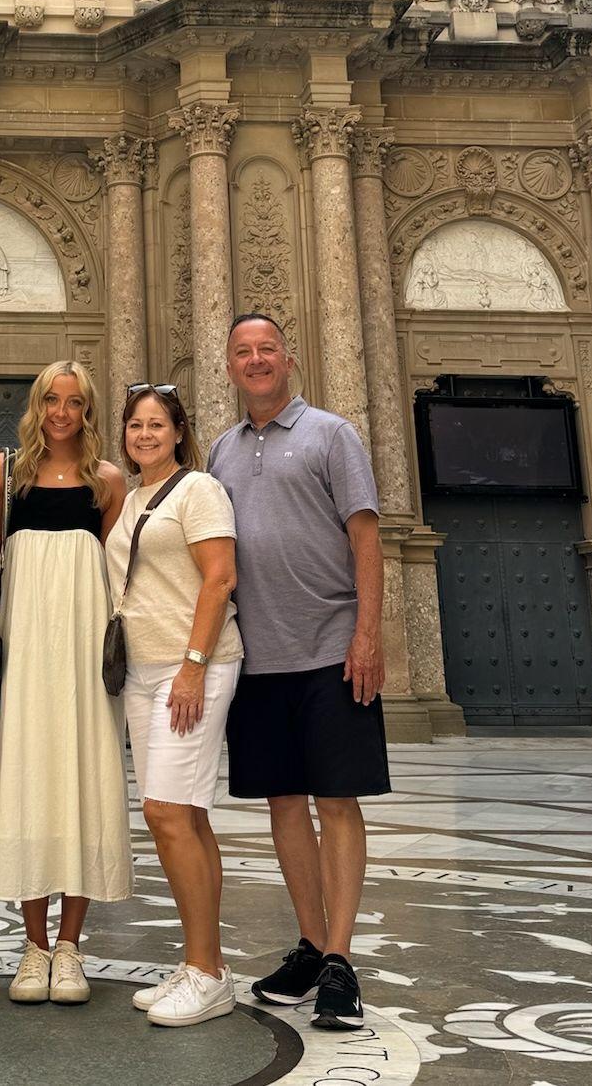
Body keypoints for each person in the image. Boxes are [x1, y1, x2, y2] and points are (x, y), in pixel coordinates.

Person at [207, 313, 389, 1032]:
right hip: (258, 658)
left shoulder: (331, 434)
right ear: (229, 367)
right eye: (243, 353)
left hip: (331, 648)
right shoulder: (220, 450)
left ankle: (341, 959)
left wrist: (368, 634)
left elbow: (365, 536)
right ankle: (311, 944)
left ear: (289, 359)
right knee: (284, 804)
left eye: (266, 350)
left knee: (337, 802)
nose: (256, 361)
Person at [0, 361, 129, 1006]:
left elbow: (120, 569)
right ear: (35, 405)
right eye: (50, 400)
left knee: (85, 776)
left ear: (88, 410)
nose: (61, 413)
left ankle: (70, 947)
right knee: (28, 778)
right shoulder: (3, 472)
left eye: (73, 402)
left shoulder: (109, 480)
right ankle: (33, 946)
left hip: (84, 648)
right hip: (27, 646)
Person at [110, 384, 242, 1027]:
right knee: (186, 814)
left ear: (179, 430)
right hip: (142, 668)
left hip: (195, 666)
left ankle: (208, 972)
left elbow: (220, 577)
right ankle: (202, 964)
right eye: (134, 425)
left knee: (165, 812)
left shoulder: (199, 490)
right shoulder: (133, 497)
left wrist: (193, 666)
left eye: (156, 424)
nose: (144, 435)